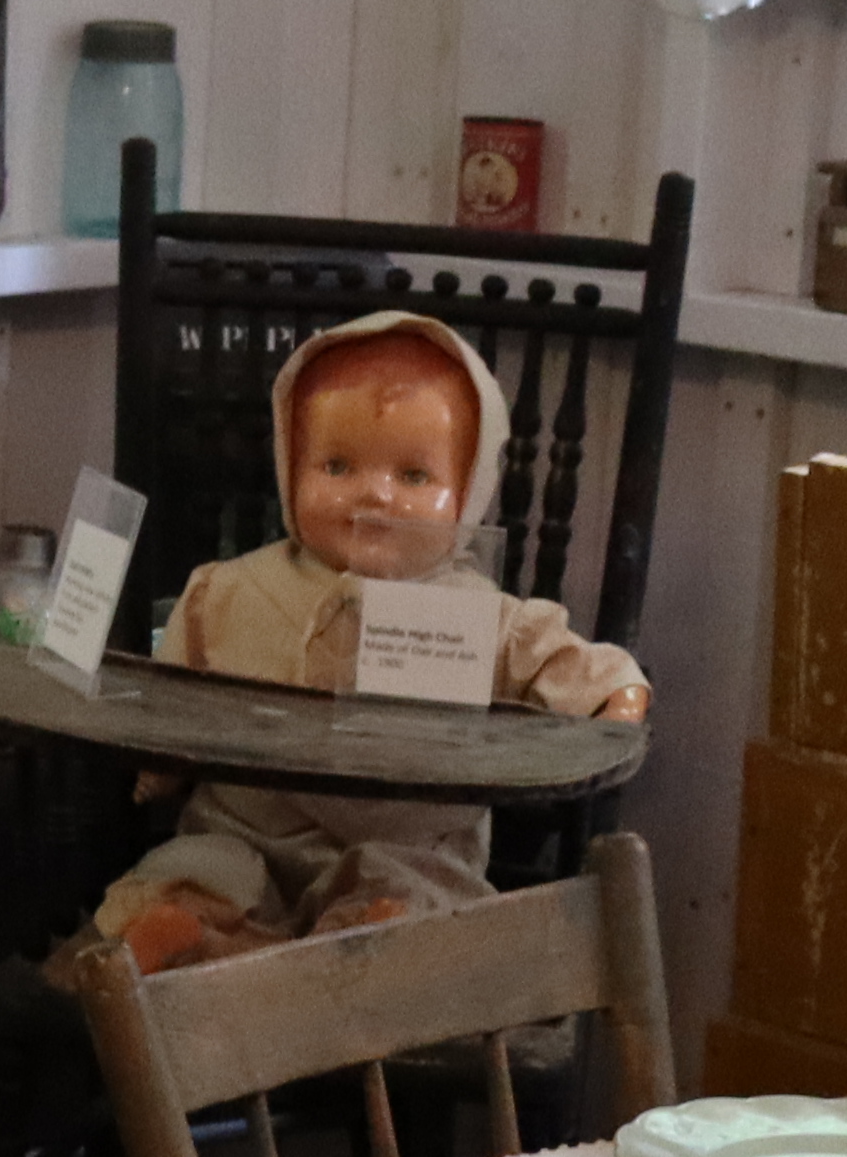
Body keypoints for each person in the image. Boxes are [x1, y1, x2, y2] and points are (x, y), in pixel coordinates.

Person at [89, 308, 653, 966]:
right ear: (290, 466)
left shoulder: (486, 617)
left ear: (468, 495)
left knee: (411, 897)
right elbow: (171, 690)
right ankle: (196, 929)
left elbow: (584, 671)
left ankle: (339, 954)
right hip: (245, 829)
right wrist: (154, 763)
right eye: (335, 466)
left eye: (413, 477)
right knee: (195, 867)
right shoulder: (229, 590)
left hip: (409, 843)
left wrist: (616, 703)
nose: (373, 495)